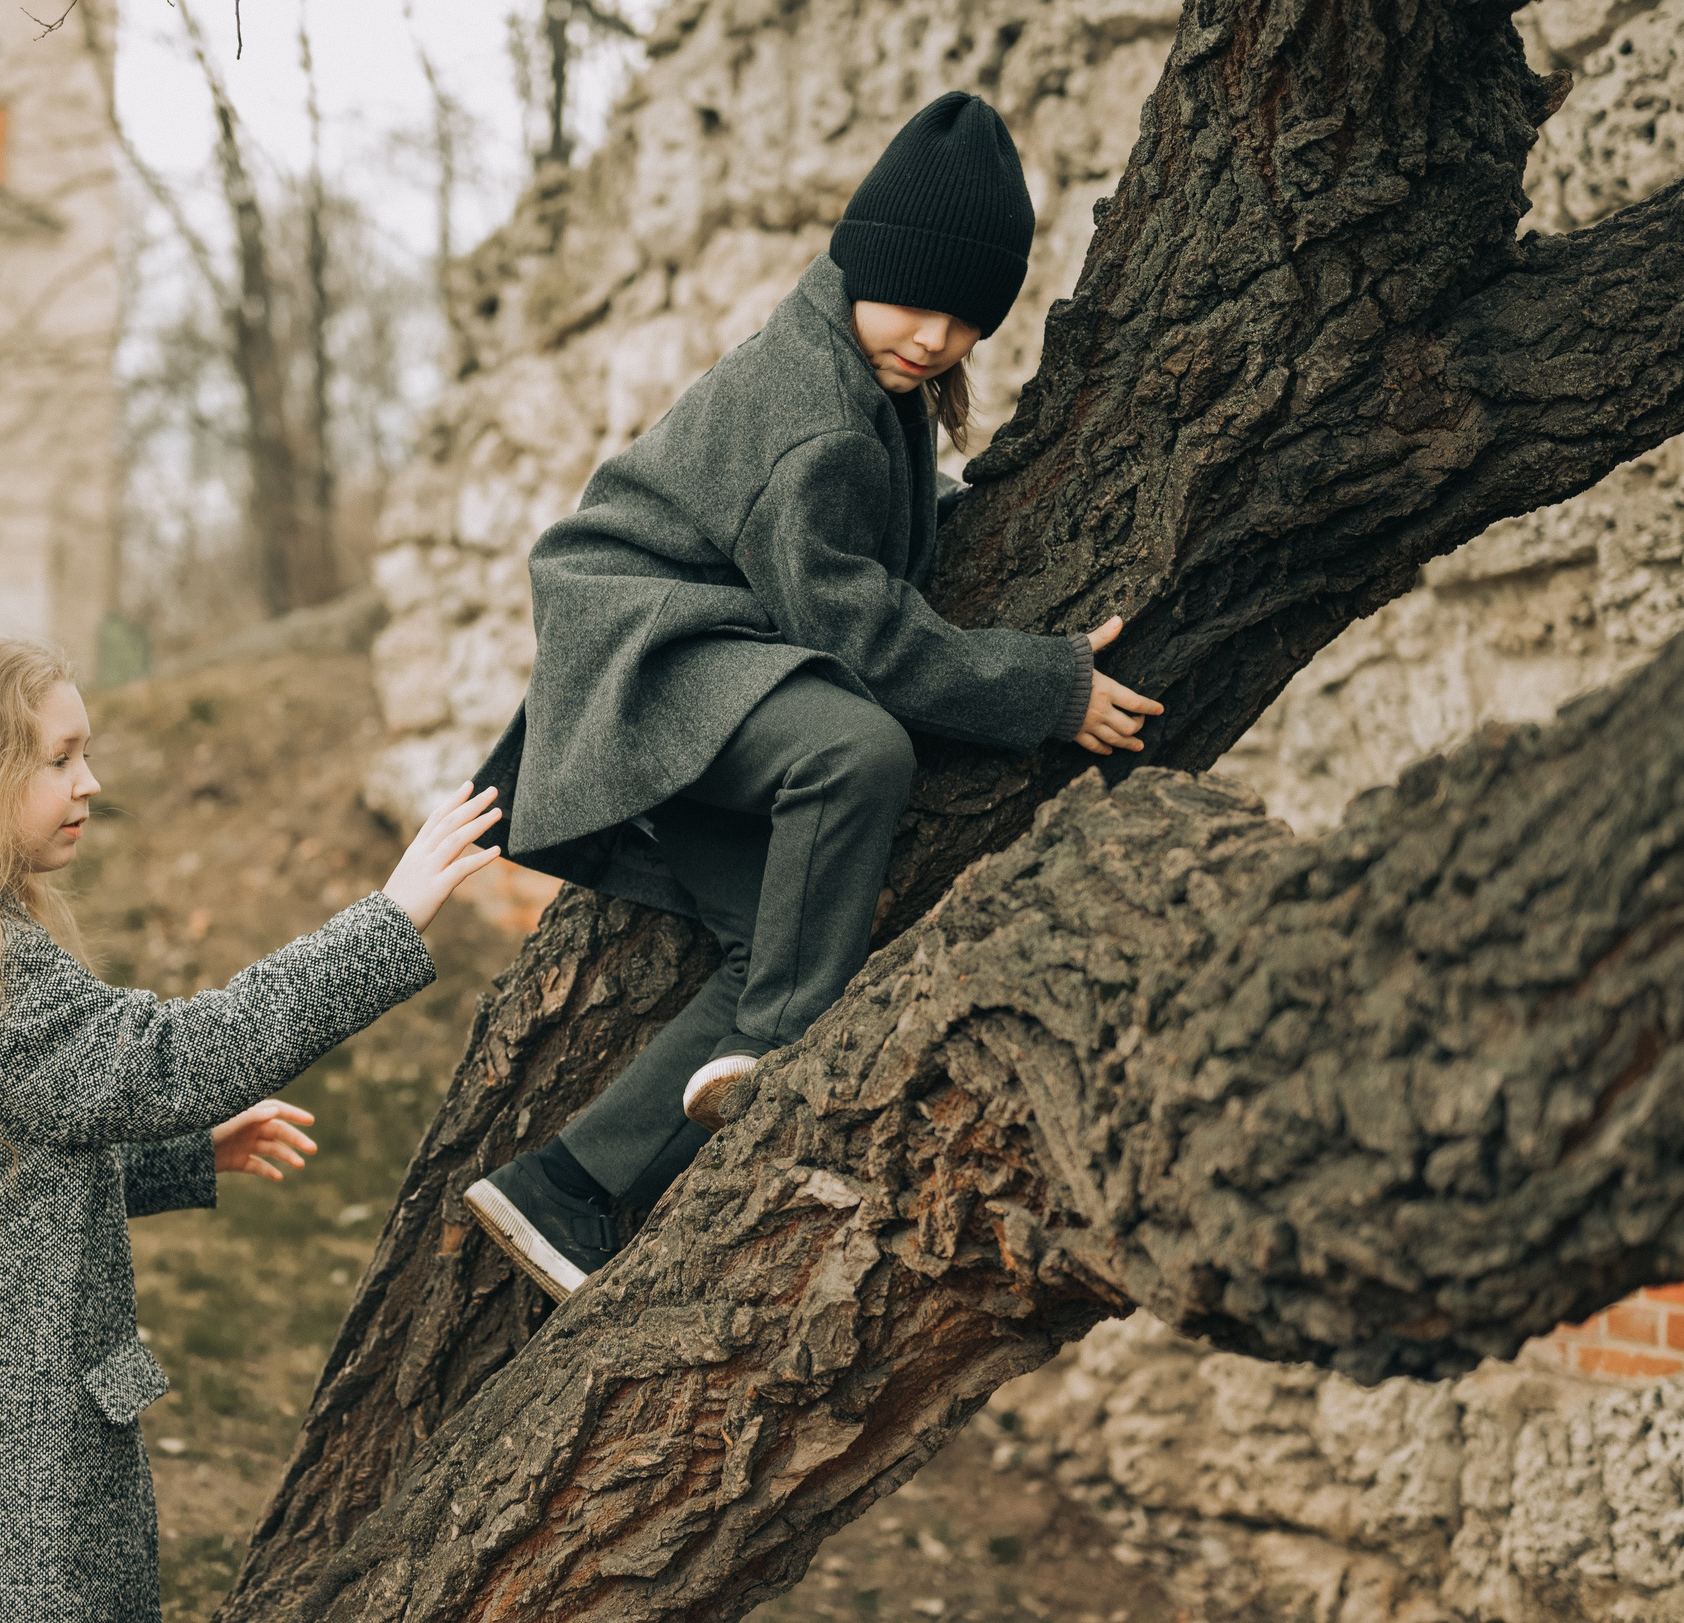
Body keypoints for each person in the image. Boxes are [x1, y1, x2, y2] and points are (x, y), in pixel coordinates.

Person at [463, 93, 1162, 1302]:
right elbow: (860, 631)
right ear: (856, 264)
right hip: (652, 653)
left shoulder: (863, 378)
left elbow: (854, 549)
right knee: (855, 750)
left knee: (780, 946)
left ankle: (563, 1187)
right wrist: (1046, 688)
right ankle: (776, 1049)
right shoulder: (811, 411)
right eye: (914, 302)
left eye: (965, 319)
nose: (936, 337)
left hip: (715, 664)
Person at [0, 633, 501, 1622]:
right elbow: (172, 1059)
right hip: (6, 1485)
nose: (89, 781)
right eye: (57, 759)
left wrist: (185, 1153)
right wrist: (391, 915)